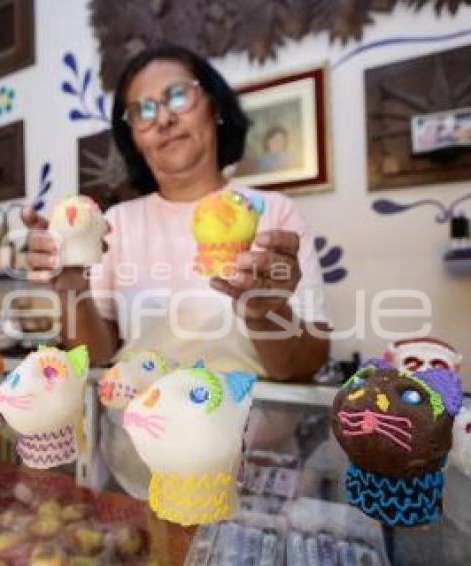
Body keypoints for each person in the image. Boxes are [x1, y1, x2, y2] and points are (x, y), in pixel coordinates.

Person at [22, 43, 332, 494]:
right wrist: (71, 289)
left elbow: (306, 367)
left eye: (177, 97)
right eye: (143, 110)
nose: (163, 118)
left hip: (249, 473)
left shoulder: (273, 214)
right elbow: (99, 355)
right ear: (134, 137)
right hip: (139, 471)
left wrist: (265, 314)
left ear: (214, 107)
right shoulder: (118, 224)